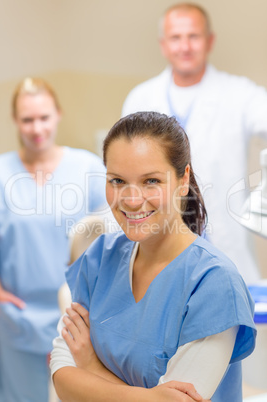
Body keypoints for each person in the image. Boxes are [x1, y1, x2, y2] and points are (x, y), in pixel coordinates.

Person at [50, 112, 256, 401]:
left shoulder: (214, 283)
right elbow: (61, 377)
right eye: (118, 180)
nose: (132, 200)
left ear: (183, 180)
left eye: (151, 181)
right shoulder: (99, 259)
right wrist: (151, 397)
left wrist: (91, 366)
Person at [121, 3, 267, 284]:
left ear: (209, 41)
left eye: (194, 36)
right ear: (163, 44)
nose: (185, 46)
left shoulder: (239, 93)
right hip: (158, 242)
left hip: (225, 243)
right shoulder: (140, 98)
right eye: (176, 38)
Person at [0, 77, 110, 402]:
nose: (37, 128)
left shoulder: (87, 167)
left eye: (44, 117)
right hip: (17, 318)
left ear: (58, 114)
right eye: (27, 119)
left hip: (79, 316)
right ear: (15, 120)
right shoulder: (1, 173)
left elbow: (112, 239)